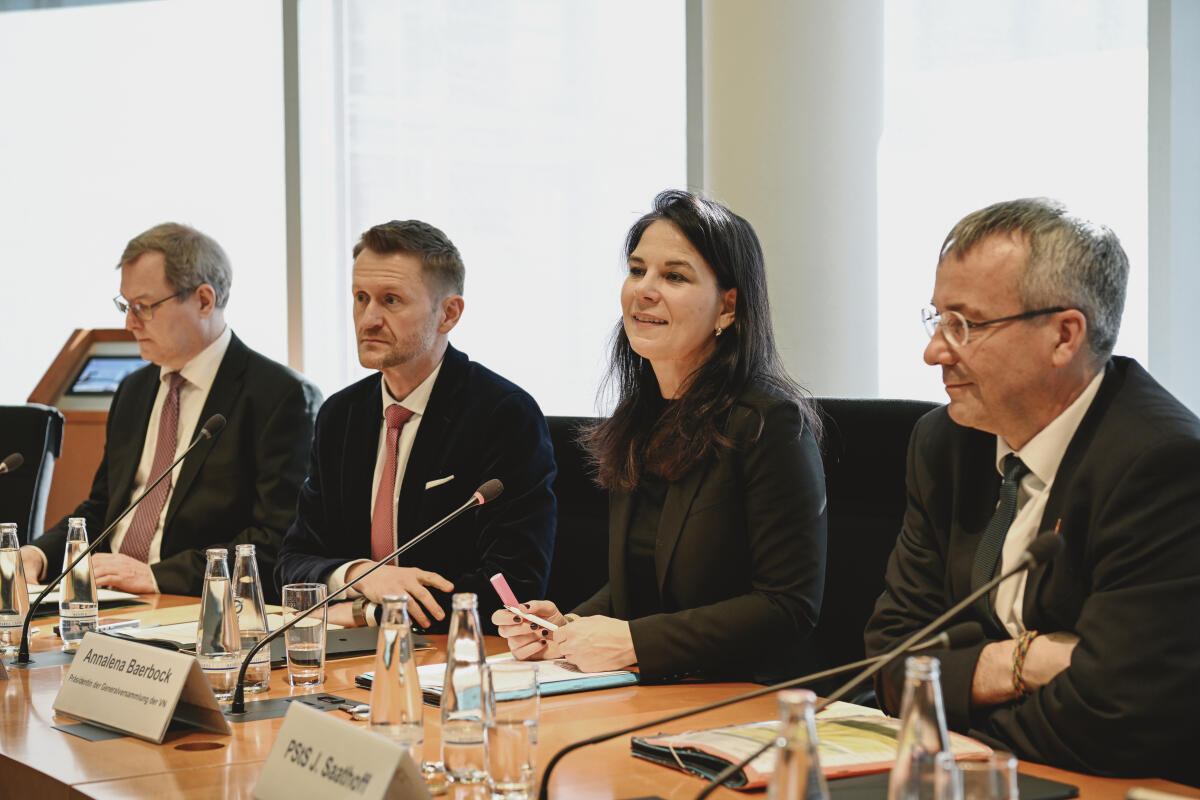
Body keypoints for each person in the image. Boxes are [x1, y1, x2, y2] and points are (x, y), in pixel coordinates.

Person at [864, 198, 1200, 784]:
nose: (934, 352)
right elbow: (891, 659)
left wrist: (949, 728)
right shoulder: (944, 443)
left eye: (964, 325)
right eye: (936, 319)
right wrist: (1021, 663)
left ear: (1064, 336)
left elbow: (1113, 714)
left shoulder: (1162, 465)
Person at [493, 190, 827, 684]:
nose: (644, 290)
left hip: (740, 699)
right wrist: (565, 627)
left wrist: (632, 642)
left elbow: (786, 606)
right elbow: (645, 582)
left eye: (674, 276)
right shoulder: (641, 416)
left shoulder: (769, 422)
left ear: (728, 308)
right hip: (653, 690)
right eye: (636, 270)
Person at [274, 219, 556, 633]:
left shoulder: (503, 414)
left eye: (391, 300)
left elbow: (512, 585)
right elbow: (292, 564)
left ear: (449, 313)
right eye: (360, 298)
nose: (368, 318)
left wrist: (369, 612)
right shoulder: (341, 414)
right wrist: (363, 575)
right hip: (349, 656)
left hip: (456, 657)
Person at [23, 223, 321, 601]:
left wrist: (156, 577)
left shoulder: (281, 396)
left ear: (203, 300)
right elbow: (102, 509)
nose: (129, 323)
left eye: (144, 307)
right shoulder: (134, 390)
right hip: (108, 596)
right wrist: (39, 552)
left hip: (192, 602)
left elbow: (276, 541)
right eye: (125, 306)